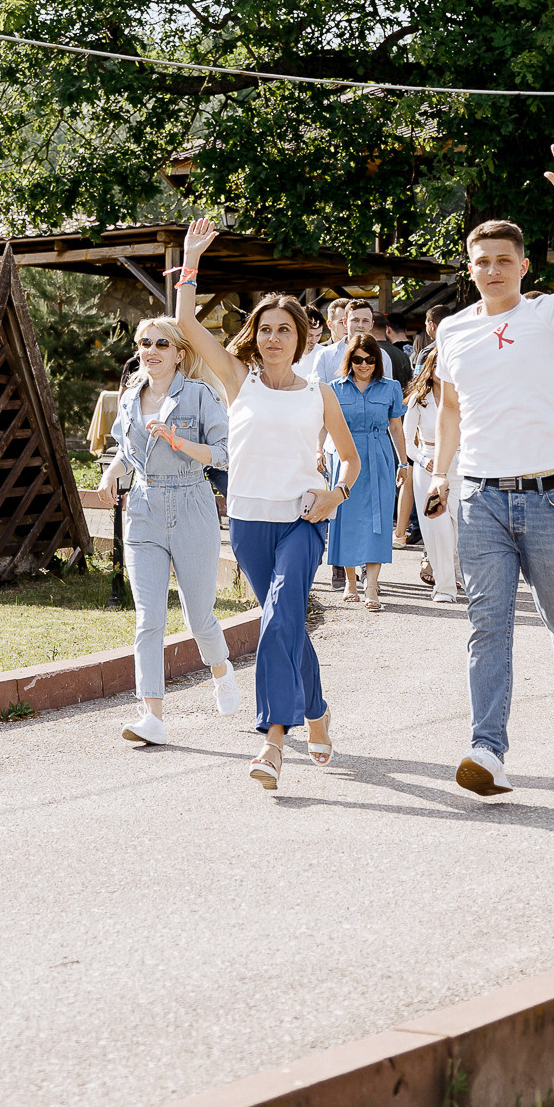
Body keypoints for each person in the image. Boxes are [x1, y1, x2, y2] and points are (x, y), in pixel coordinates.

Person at [431, 139, 554, 796]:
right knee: (487, 624)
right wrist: (438, 474)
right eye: (481, 261)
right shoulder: (452, 332)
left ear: (522, 265)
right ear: (470, 269)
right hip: (480, 498)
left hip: (550, 497)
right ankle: (486, 750)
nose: (492, 270)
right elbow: (451, 409)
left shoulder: (550, 315)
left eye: (503, 260)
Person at [175, 225, 355, 790]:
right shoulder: (238, 380)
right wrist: (190, 260)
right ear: (254, 336)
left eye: (285, 330)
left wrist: (336, 494)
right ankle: (317, 710)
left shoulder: (319, 393)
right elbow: (186, 324)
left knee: (278, 619)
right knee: (288, 626)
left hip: (302, 521)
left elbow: (350, 461)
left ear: (301, 339)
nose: (274, 338)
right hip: (250, 523)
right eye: (266, 329)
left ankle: (273, 742)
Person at [98, 317, 242, 746]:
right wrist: (111, 473)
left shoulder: (199, 395)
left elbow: (225, 453)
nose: (152, 350)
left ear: (180, 353)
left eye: (162, 343)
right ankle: (152, 717)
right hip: (143, 509)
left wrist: (179, 443)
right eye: (145, 343)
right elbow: (126, 451)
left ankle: (221, 670)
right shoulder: (129, 398)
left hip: (192, 503)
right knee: (148, 619)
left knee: (199, 617)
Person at [326, 337, 408, 610]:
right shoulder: (335, 388)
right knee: (346, 518)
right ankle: (350, 582)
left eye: (370, 359)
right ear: (350, 360)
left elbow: (396, 427)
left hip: (379, 456)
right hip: (346, 456)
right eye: (358, 359)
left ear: (377, 361)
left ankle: (371, 586)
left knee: (378, 520)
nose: (364, 365)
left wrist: (404, 463)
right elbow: (324, 425)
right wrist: (317, 451)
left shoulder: (390, 387)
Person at [402, 355, 458, 599]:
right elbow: (406, 441)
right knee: (438, 529)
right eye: (436, 365)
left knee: (460, 529)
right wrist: (423, 460)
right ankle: (444, 587)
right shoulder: (419, 400)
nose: (440, 370)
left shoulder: (462, 396)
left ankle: (455, 575)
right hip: (427, 468)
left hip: (460, 467)